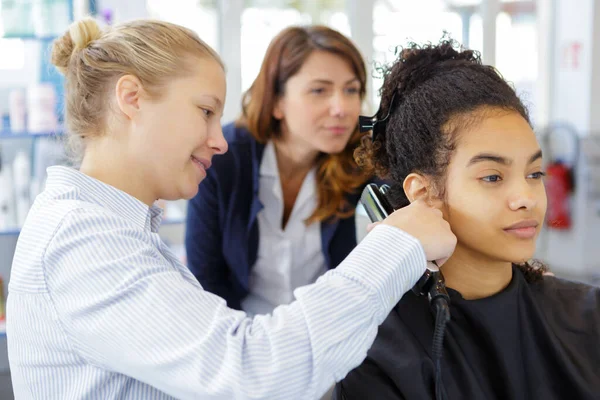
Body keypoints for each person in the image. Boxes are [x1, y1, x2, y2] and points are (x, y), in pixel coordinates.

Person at [6, 18, 456, 400]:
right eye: (204, 111)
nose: (218, 140)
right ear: (131, 98)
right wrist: (396, 245)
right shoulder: (84, 243)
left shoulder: (112, 231)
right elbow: (252, 371)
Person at [333, 39, 600, 400]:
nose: (526, 199)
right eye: (492, 177)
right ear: (424, 193)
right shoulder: (378, 352)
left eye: (535, 174)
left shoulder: (587, 316)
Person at [185, 25, 377, 315]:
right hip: (240, 334)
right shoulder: (224, 157)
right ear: (277, 102)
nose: (342, 108)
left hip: (327, 335)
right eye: (319, 90)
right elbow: (205, 278)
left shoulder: (358, 157)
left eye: (351, 89)